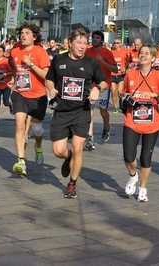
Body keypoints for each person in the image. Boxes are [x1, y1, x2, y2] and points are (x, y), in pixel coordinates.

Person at [45, 28, 107, 198]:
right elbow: (49, 78)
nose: (82, 46)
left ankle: (72, 184)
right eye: (78, 42)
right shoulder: (59, 60)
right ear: (70, 43)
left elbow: (104, 81)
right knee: (58, 151)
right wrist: (51, 89)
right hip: (61, 111)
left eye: (85, 43)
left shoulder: (91, 63)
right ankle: (68, 158)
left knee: (78, 148)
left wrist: (97, 88)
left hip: (81, 111)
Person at [123, 44, 159, 202]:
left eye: (146, 54)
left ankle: (143, 188)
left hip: (151, 124)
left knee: (145, 158)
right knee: (128, 156)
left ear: (153, 58)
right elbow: (125, 91)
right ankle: (133, 176)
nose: (143, 55)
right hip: (132, 120)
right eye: (141, 53)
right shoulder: (131, 74)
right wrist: (123, 96)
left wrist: (155, 94)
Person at [8, 23, 50, 175]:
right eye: (22, 33)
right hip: (20, 93)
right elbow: (12, 65)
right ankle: (21, 160)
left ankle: (38, 147)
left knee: (36, 128)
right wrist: (14, 78)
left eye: (27, 33)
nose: (23, 35)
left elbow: (46, 74)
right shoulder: (15, 50)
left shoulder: (40, 52)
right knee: (19, 126)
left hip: (38, 96)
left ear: (34, 37)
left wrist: (30, 64)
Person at [85, 30, 118, 149]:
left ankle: (106, 126)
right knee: (90, 111)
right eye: (93, 37)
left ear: (102, 40)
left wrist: (103, 61)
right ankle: (90, 138)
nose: (95, 39)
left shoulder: (107, 53)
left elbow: (115, 70)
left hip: (104, 86)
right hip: (91, 85)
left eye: (97, 38)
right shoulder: (87, 52)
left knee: (103, 111)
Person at [110, 38, 128, 113]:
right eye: (114, 43)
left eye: (117, 43)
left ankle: (120, 102)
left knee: (120, 92)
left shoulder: (124, 52)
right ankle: (115, 107)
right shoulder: (111, 52)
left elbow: (127, 62)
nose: (116, 44)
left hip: (120, 75)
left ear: (120, 44)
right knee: (113, 91)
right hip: (112, 75)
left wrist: (125, 69)